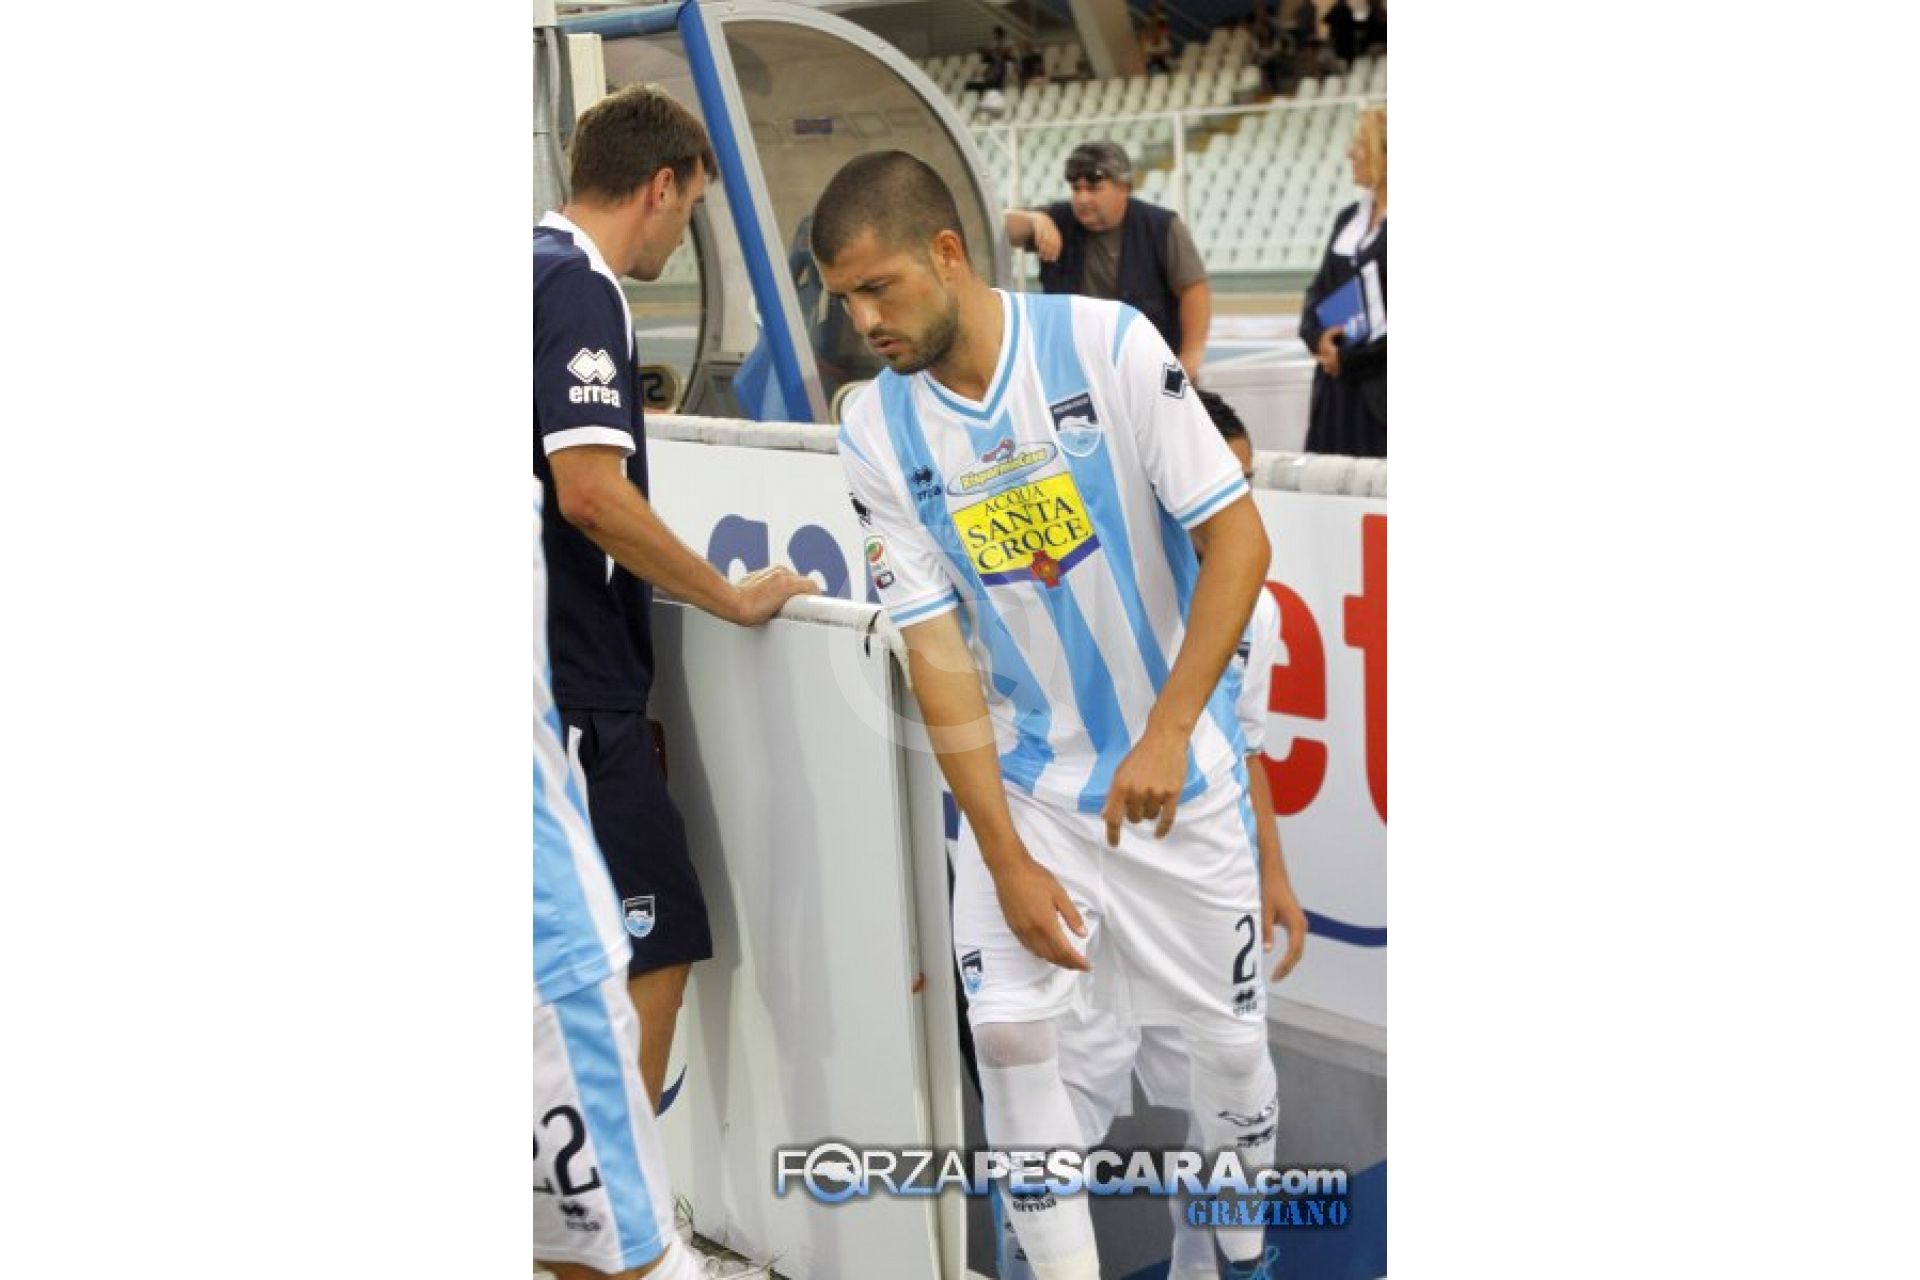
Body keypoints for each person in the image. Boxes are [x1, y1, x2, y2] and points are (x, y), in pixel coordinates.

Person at [812, 151, 1280, 1280]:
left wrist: (1168, 728)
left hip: (1181, 793)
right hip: (1032, 794)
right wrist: (1006, 855)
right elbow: (938, 656)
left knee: (1229, 1056)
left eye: (878, 288)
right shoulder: (874, 428)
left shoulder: (1109, 344)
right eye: (843, 299)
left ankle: (1245, 1256)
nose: (863, 320)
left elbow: (1240, 543)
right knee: (1012, 1040)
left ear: (947, 253)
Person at [534, 85, 817, 1110]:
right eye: (691, 206)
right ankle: (622, 1199)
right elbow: (591, 493)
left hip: (552, 678)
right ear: (661, 187)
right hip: (571, 686)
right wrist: (727, 596)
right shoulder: (581, 286)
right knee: (656, 940)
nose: (680, 227)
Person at [1003, 141, 1212, 385]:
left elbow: (1193, 288)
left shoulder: (1161, 227)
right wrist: (1035, 220)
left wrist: (1190, 357)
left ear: (1123, 187)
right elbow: (996, 227)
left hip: (1147, 368)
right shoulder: (1057, 221)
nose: (1082, 198)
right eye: (1076, 189)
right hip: (1075, 370)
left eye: (1094, 188)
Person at [1298, 105, 1387, 457]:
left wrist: (1351, 359)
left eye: (1360, 145)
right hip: (1336, 392)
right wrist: (1316, 337)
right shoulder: (1348, 218)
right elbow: (1319, 290)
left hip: (1382, 399)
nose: (1351, 154)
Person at [1324, 0, 1359, 67]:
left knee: (1339, 57)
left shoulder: (1338, 10)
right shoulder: (1345, 10)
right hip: (1343, 39)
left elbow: (1326, 20)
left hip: (1340, 38)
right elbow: (1326, 20)